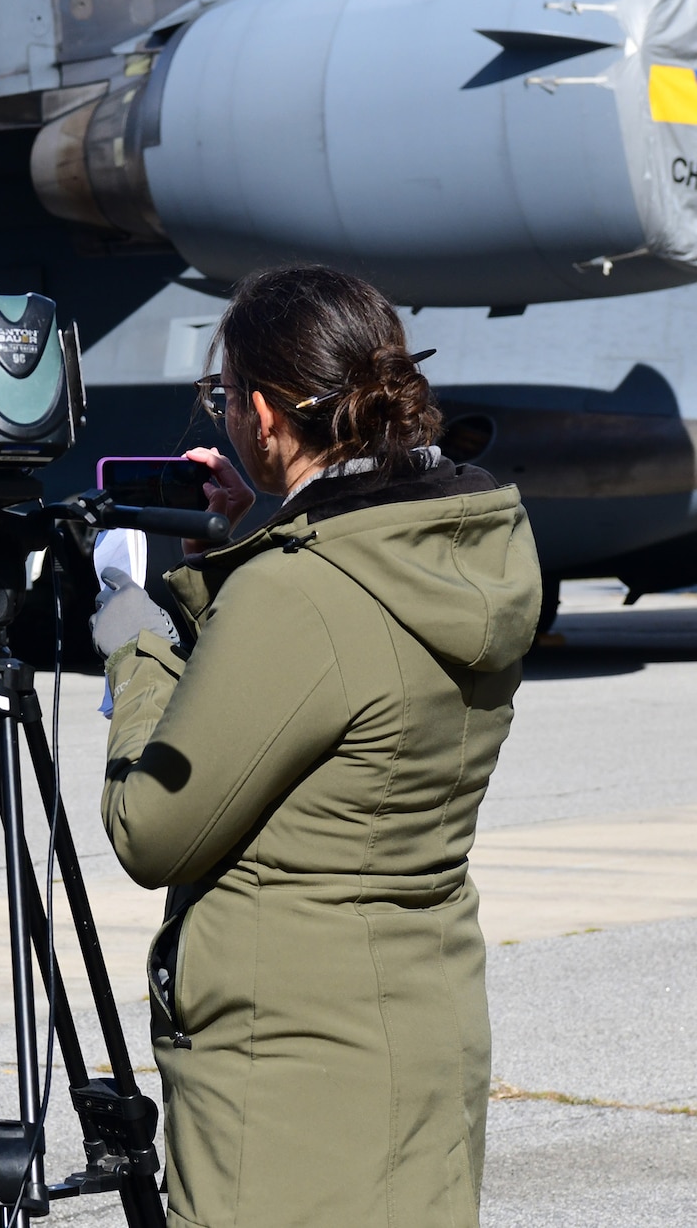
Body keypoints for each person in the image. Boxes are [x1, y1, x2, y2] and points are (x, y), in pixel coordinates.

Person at [91, 265, 539, 1228]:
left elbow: (149, 830)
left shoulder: (300, 594)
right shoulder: (460, 545)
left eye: (223, 401)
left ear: (260, 412)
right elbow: (343, 679)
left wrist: (134, 637)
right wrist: (243, 550)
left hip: (291, 1068)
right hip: (418, 1017)